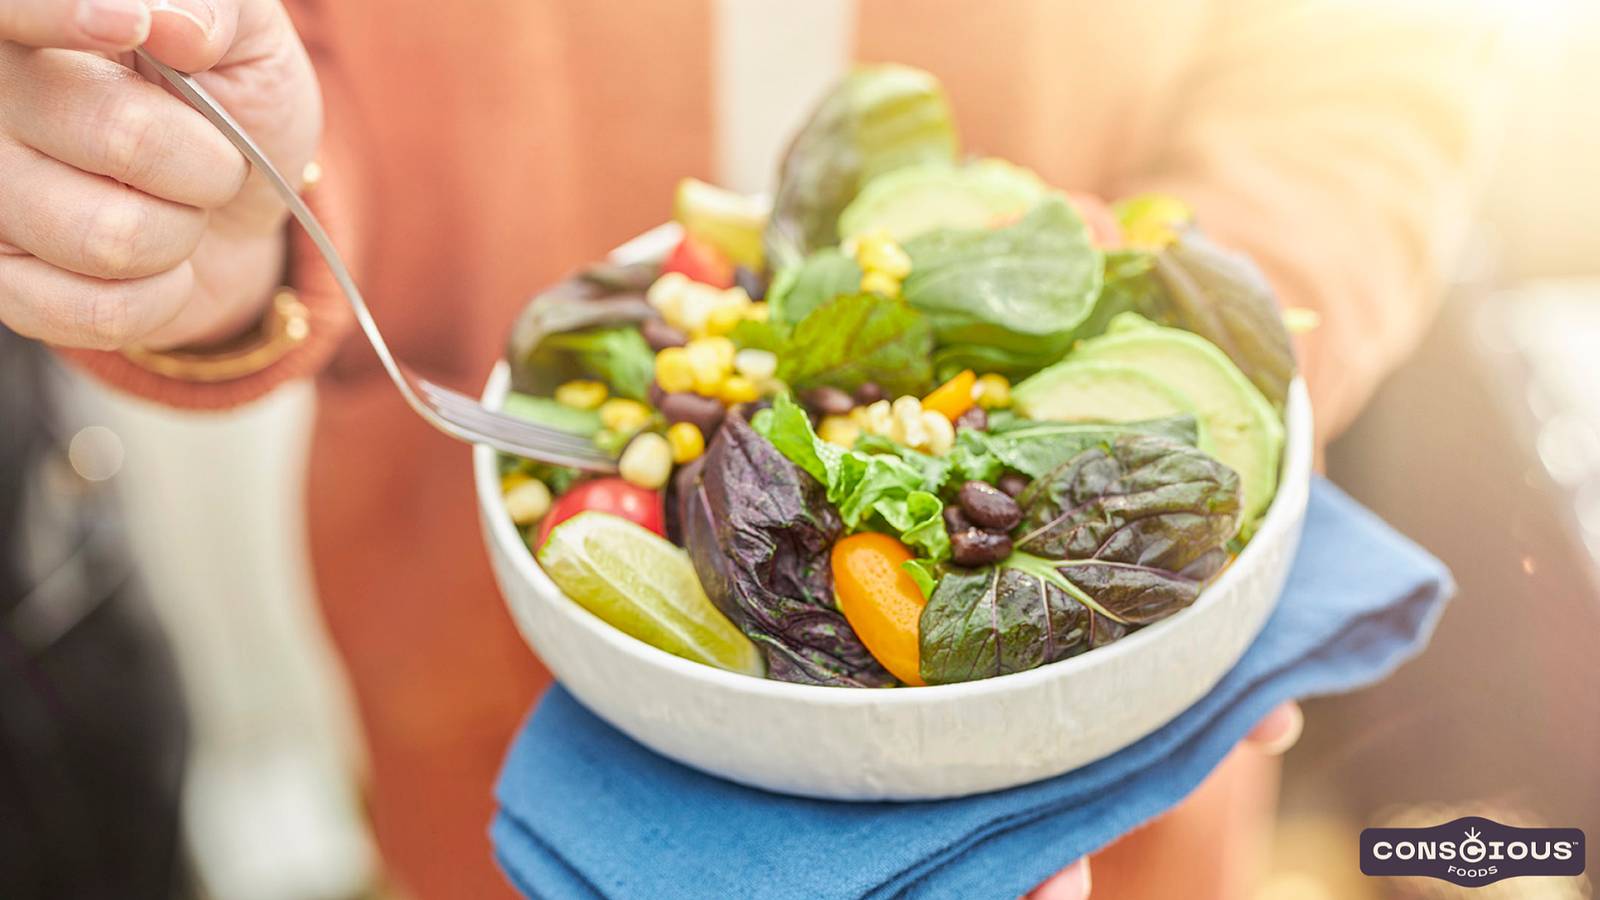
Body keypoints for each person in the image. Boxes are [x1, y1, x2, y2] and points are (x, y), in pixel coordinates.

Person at [0, 1, 1505, 897]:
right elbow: (303, 58)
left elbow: (1361, 57)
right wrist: (245, 202)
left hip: (1093, 808)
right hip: (508, 761)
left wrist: (1176, 369)